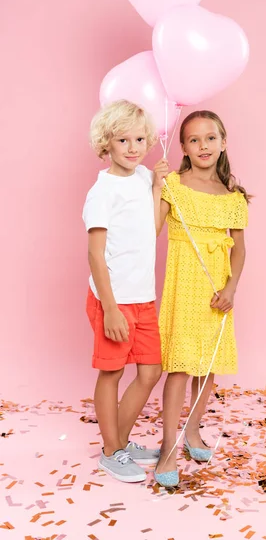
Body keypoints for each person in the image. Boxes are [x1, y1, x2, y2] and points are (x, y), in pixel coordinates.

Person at [153, 110, 249, 487]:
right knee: (180, 365)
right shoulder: (174, 185)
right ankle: (168, 447)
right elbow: (152, 228)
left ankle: (192, 430)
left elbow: (239, 249)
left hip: (216, 290)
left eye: (210, 138)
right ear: (183, 148)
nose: (203, 146)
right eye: (194, 140)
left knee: (207, 366)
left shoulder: (233, 197)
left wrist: (231, 288)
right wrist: (156, 189)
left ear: (223, 143)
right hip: (185, 286)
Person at [83, 99, 168, 483]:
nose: (133, 148)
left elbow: (150, 232)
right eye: (123, 140)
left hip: (144, 296)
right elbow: (95, 256)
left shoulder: (141, 178)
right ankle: (111, 451)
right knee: (112, 372)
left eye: (139, 139)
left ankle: (120, 441)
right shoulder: (102, 192)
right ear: (107, 143)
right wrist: (112, 309)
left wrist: (158, 188)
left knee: (151, 371)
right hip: (112, 300)